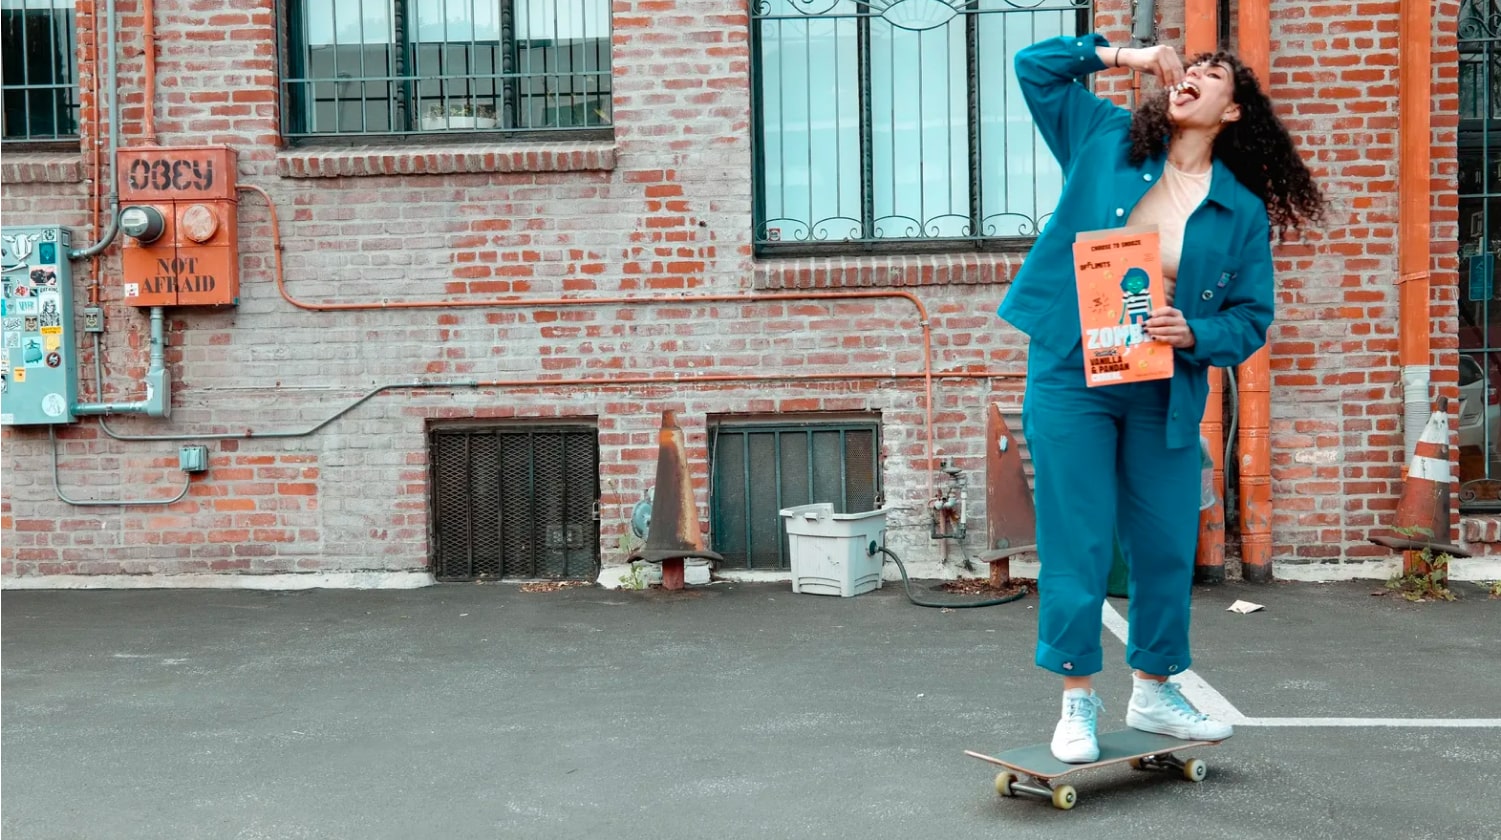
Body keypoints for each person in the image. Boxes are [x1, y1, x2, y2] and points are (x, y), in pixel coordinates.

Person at [998, 34, 1327, 763]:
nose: (1191, 78)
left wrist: (1194, 330)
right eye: (1188, 69)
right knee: (1076, 540)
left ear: (1233, 111)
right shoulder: (1103, 136)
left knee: (1164, 544)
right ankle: (1076, 698)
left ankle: (1154, 689)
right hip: (1070, 371)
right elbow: (1033, 67)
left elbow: (1250, 319)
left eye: (1211, 77)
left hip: (1162, 385)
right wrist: (1129, 57)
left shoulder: (1237, 210)